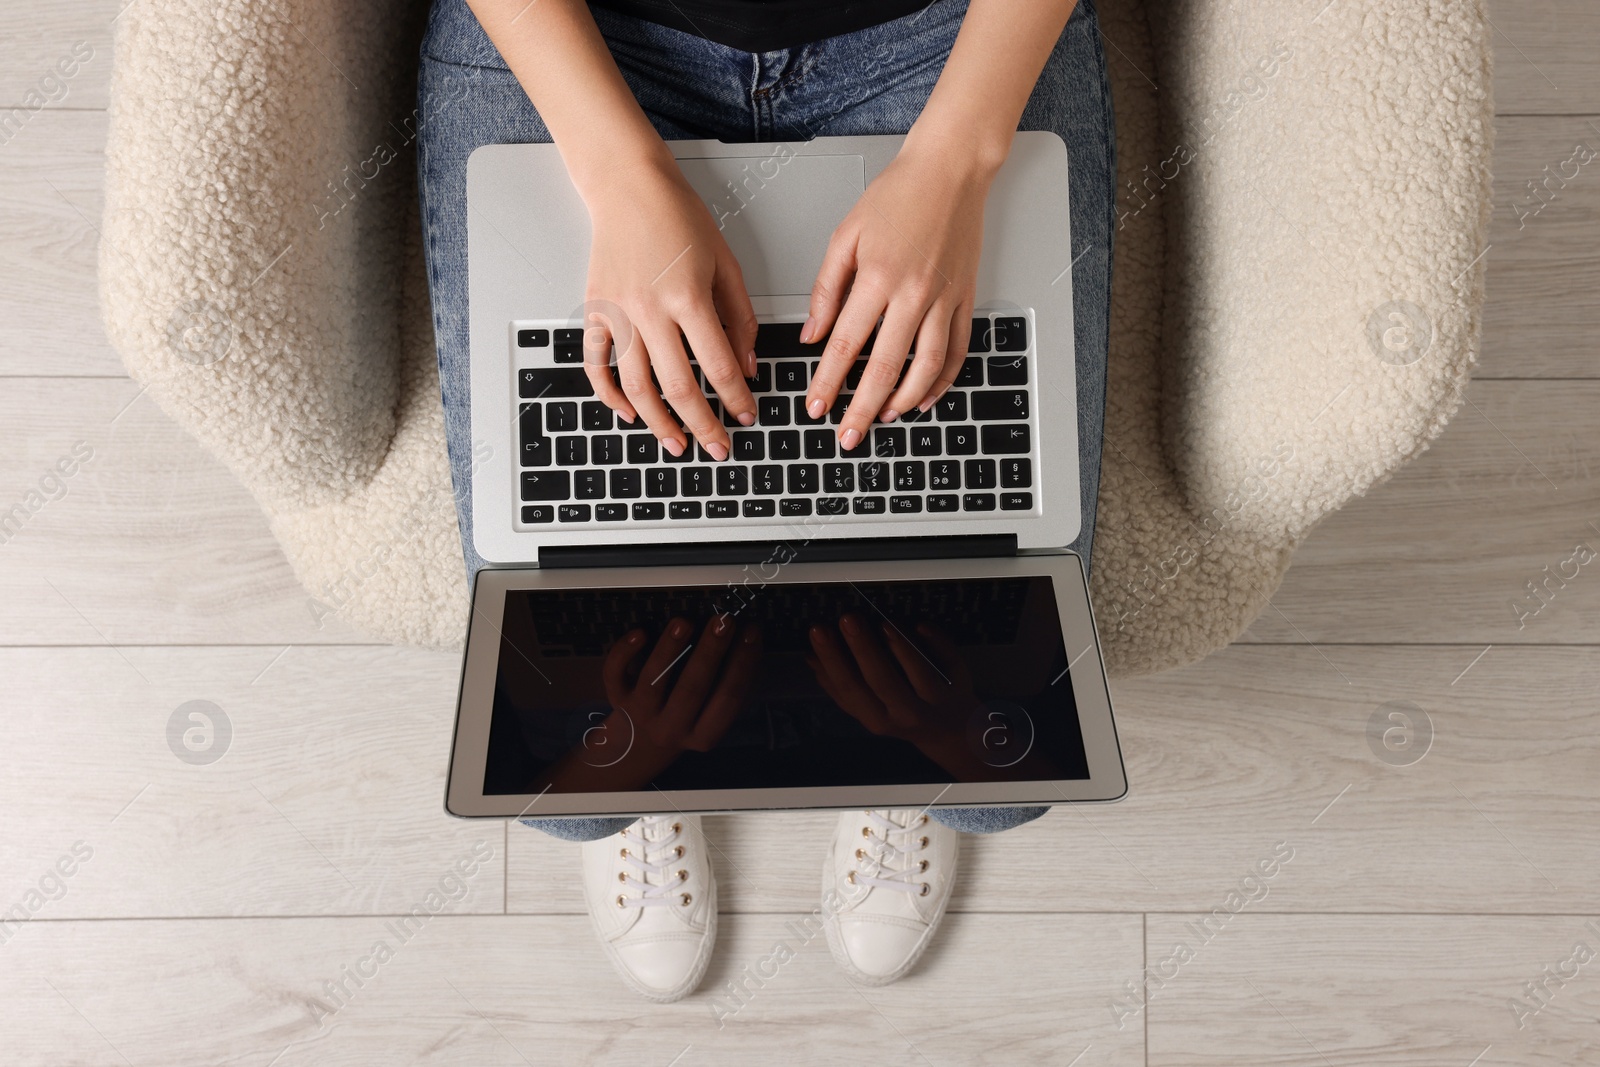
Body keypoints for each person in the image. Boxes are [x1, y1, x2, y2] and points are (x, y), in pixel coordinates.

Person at [417, 0, 1114, 1001]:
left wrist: (959, 156)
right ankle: (680, 768)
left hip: (944, 34)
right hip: (582, 33)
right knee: (574, 786)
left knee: (992, 776)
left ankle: (886, 757)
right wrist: (618, 175)